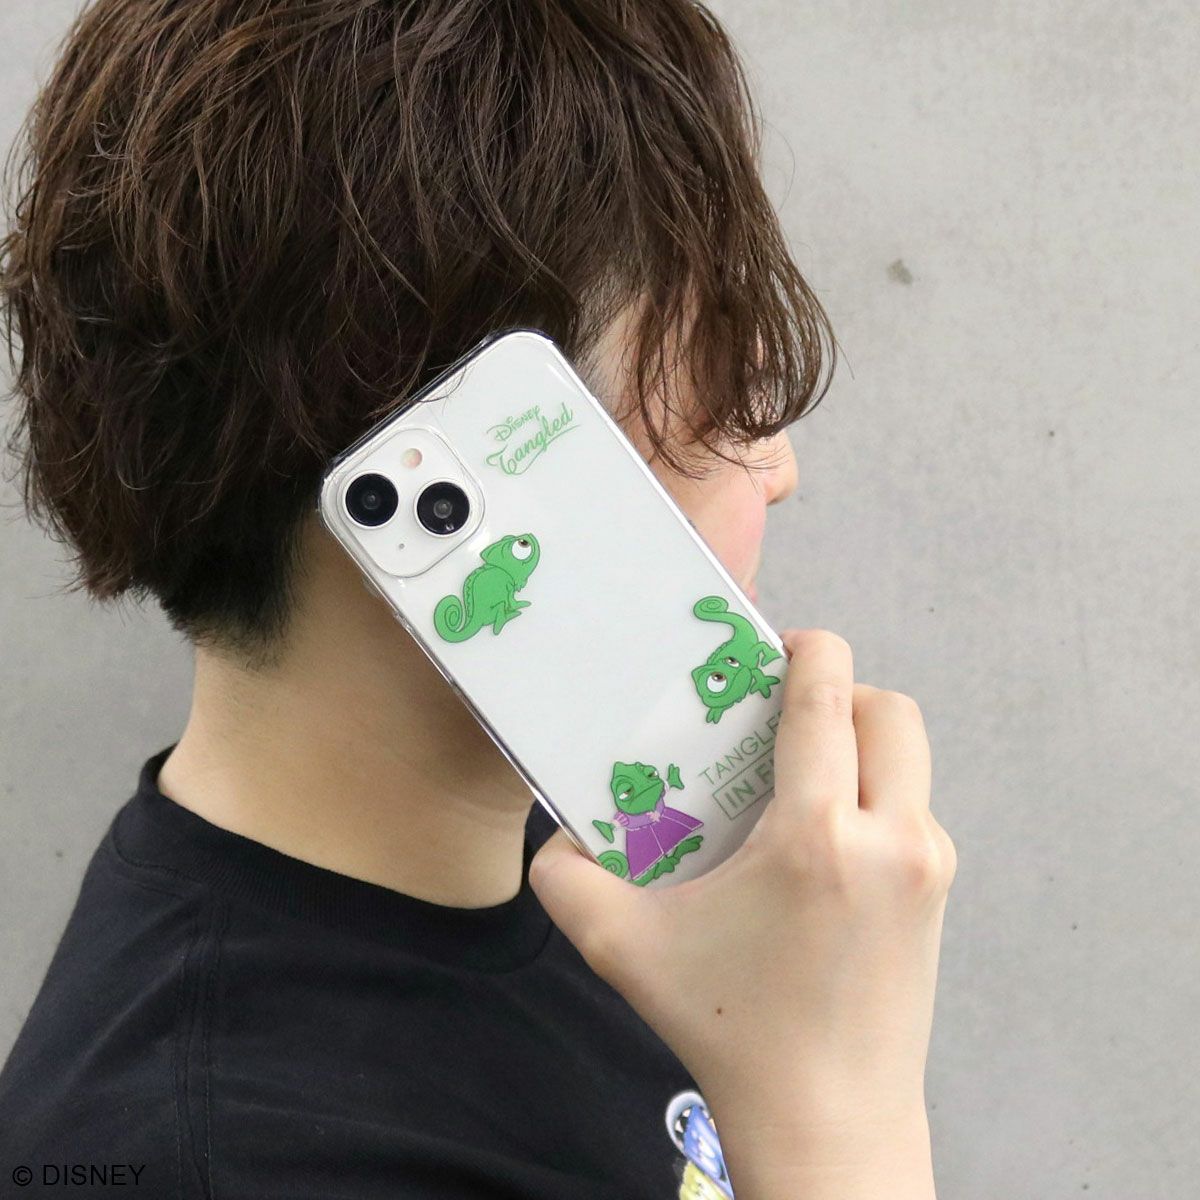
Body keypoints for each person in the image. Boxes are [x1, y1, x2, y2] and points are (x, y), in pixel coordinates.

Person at [0, 2, 955, 1198]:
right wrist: (841, 1122)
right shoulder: (211, 1157)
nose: (779, 467)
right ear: (464, 454)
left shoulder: (629, 874)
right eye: (719, 390)